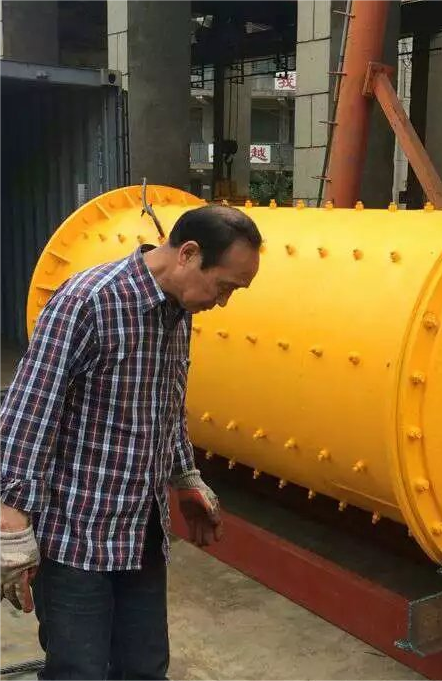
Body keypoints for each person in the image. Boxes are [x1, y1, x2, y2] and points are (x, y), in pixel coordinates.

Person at [0, 204, 262, 680]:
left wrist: (185, 476)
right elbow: (30, 410)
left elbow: (165, 402)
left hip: (141, 531)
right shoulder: (88, 302)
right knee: (79, 669)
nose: (222, 302)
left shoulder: (179, 311)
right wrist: (11, 519)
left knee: (143, 667)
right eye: (223, 287)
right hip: (76, 535)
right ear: (188, 254)